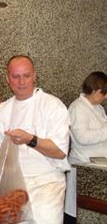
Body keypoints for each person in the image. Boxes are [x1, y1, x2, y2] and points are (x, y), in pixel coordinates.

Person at [0, 55, 71, 224]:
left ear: (34, 76)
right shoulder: (3, 110)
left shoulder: (52, 106)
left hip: (46, 185)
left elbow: (59, 151)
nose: (21, 82)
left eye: (26, 76)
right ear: (7, 79)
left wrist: (30, 139)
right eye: (15, 77)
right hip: (11, 188)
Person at [64, 71, 107, 222]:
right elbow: (82, 137)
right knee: (78, 212)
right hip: (83, 165)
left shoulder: (99, 109)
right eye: (104, 93)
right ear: (94, 90)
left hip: (98, 165)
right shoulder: (77, 108)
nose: (106, 97)